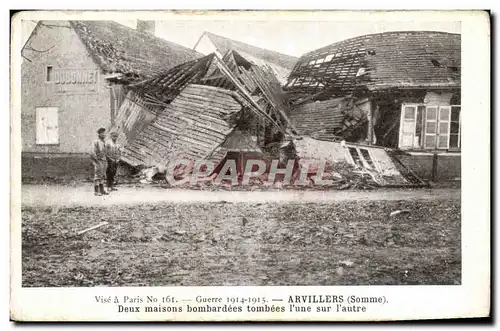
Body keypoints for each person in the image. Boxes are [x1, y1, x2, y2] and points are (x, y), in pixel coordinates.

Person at [90, 128, 109, 196]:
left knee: (102, 175)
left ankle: (102, 190)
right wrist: (96, 160)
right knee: (97, 175)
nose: (104, 134)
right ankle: (96, 191)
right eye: (102, 133)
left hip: (104, 160)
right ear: (99, 134)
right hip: (98, 160)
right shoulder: (95, 141)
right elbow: (92, 152)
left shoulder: (104, 142)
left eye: (104, 133)